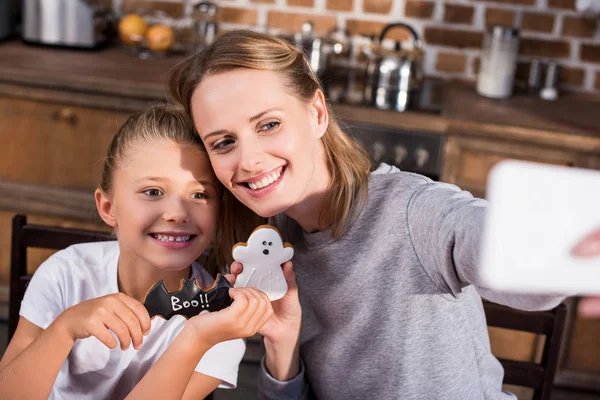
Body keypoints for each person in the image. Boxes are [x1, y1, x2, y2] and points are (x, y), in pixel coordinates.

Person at [168, 30, 567, 399]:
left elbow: (512, 258)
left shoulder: (414, 211)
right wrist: (282, 344)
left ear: (317, 113)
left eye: (269, 124)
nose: (250, 159)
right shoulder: (272, 246)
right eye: (223, 143)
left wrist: (564, 242)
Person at [0, 104, 273, 400]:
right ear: (108, 207)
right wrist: (64, 328)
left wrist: (195, 339)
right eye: (153, 191)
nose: (177, 213)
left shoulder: (219, 321)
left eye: (199, 194)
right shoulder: (66, 272)